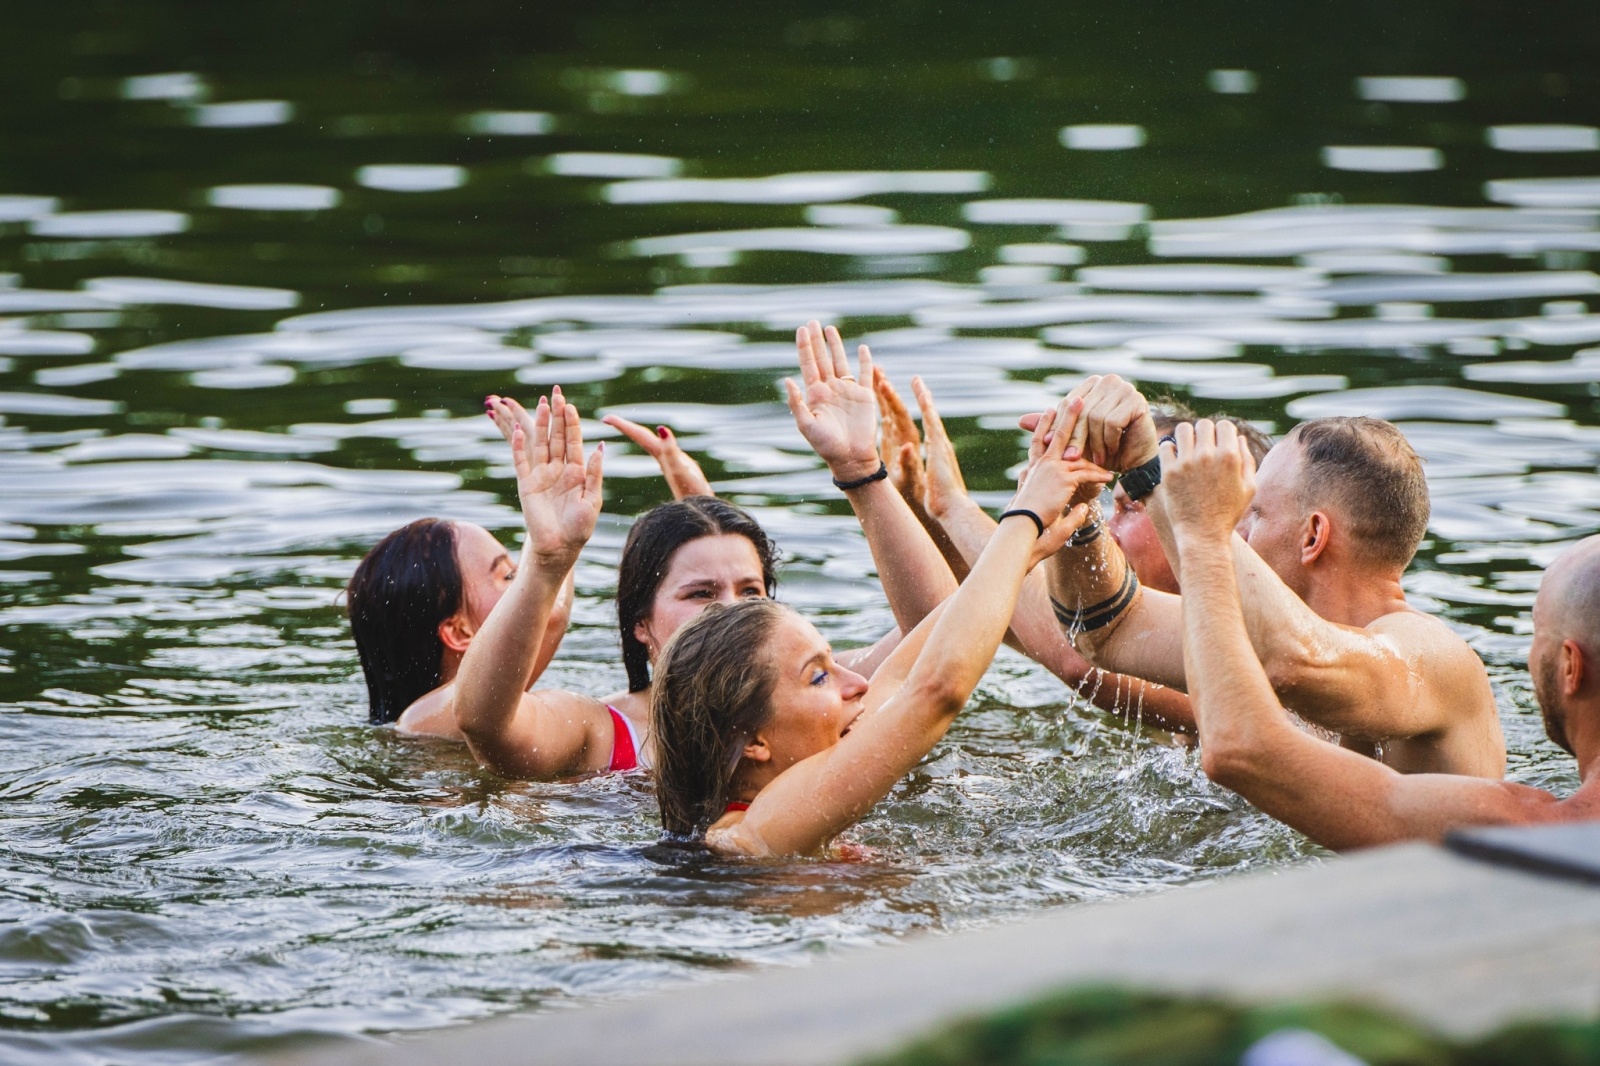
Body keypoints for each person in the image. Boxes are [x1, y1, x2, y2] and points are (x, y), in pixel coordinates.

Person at [650, 403, 1112, 856]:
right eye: (819, 676)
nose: (858, 683)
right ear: (754, 742)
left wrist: (1025, 548)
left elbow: (911, 670)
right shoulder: (751, 834)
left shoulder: (794, 793)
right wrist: (1023, 518)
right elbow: (936, 691)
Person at [1036, 375, 1504, 777]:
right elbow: (1106, 628)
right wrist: (1078, 503)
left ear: (1313, 536)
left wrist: (1162, 483)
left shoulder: (1435, 656)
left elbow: (1295, 661)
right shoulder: (1261, 638)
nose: (1236, 530)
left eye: (1253, 514)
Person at [1163, 419, 1600, 848]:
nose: (1238, 532)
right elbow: (1126, 627)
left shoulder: (1526, 825)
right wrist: (1136, 483)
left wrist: (1203, 530)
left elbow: (1250, 729)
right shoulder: (1544, 828)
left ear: (1570, 666)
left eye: (1255, 514)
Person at [868, 376, 1273, 733]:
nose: (1108, 531)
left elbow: (1082, 659)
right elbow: (982, 615)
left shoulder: (1256, 661)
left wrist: (954, 508)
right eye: (1111, 507)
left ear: (1232, 522)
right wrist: (925, 512)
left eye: (1132, 506)